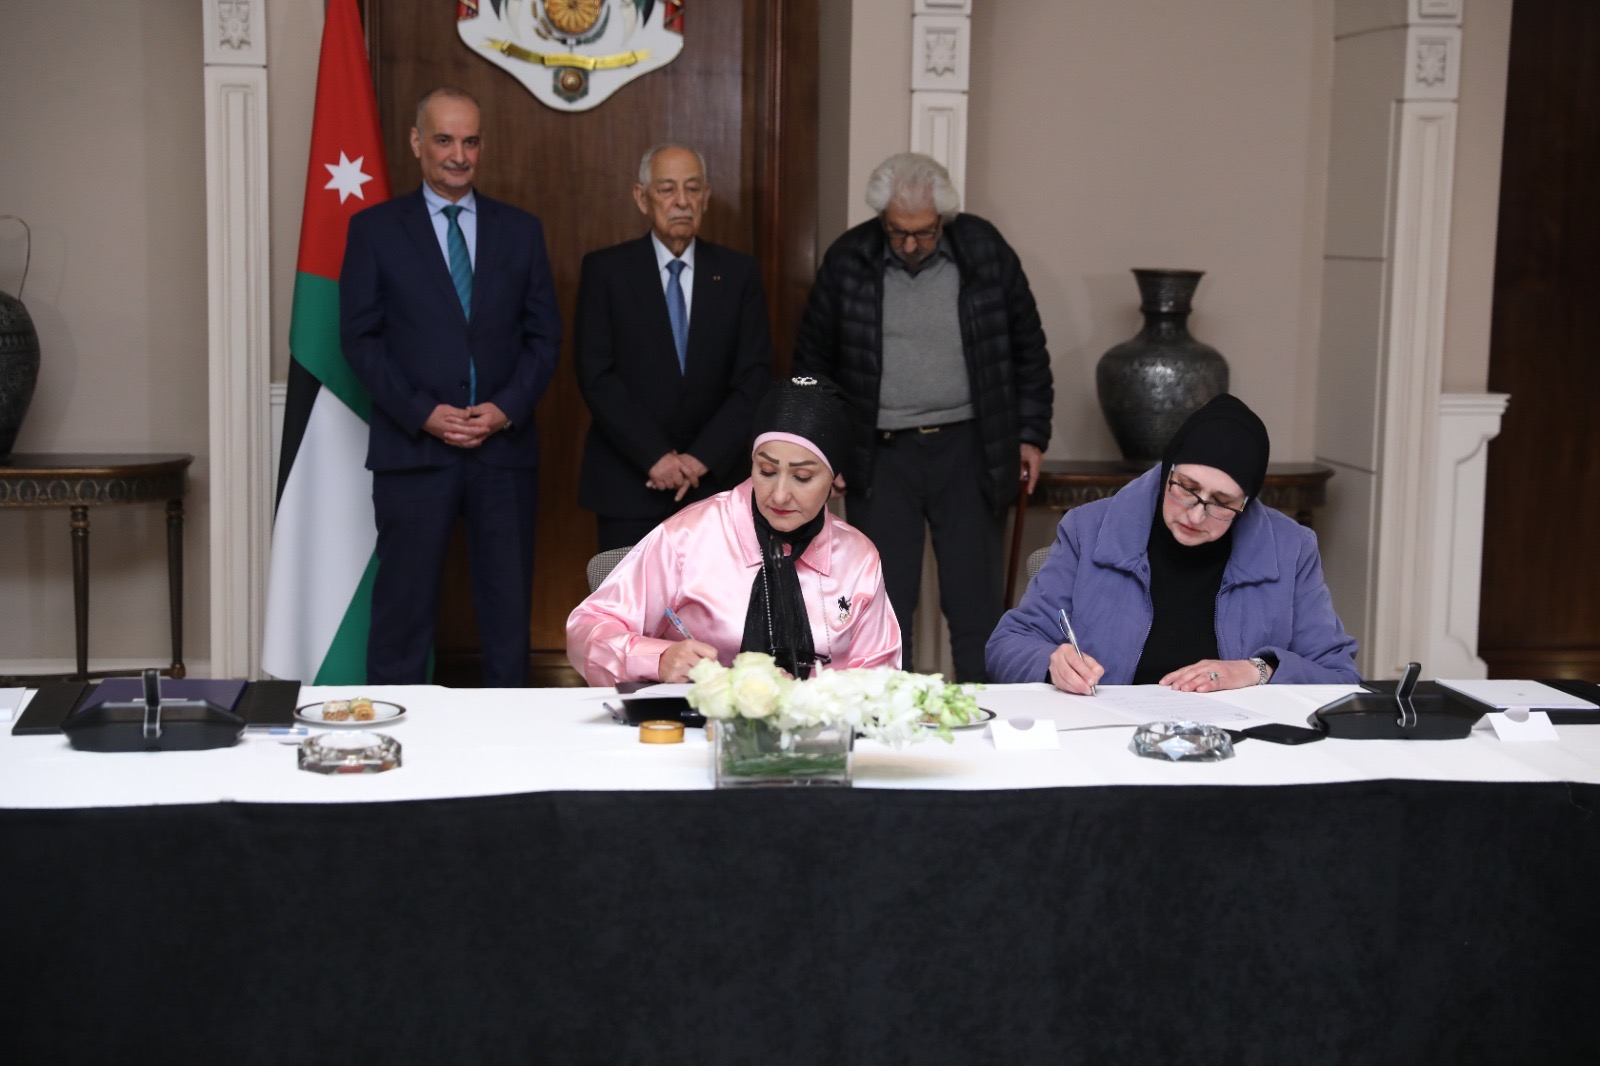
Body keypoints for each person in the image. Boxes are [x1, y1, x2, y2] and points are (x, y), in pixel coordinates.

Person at [792, 152, 1052, 682]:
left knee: (976, 602)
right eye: (898, 232)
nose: (910, 245)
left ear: (944, 219)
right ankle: (895, 714)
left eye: (924, 233)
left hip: (970, 447)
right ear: (881, 219)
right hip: (881, 455)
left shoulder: (984, 250)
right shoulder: (849, 259)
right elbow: (814, 364)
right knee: (884, 602)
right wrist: (826, 448)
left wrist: (1030, 434)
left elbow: (1027, 347)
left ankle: (986, 710)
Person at [341, 86, 561, 686]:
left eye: (470, 141)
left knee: (507, 616)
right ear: (417, 143)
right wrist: (423, 413)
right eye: (444, 140)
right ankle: (396, 731)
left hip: (502, 452)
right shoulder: (375, 230)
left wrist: (505, 409)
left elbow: (545, 337)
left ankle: (506, 736)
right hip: (414, 450)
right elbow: (360, 341)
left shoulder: (521, 231)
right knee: (403, 612)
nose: (459, 155)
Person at [986, 394, 1360, 691]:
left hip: (1239, 746)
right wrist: (1052, 663)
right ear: (1168, 470)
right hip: (1105, 740)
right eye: (1187, 489)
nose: (1196, 516)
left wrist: (1256, 671)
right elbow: (1007, 644)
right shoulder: (1088, 528)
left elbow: (1339, 674)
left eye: (1222, 503)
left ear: (1245, 504)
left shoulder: (1291, 548)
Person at [566, 376, 902, 685]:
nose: (779, 495)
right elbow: (586, 629)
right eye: (766, 471)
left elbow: (880, 678)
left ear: (834, 478)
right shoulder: (688, 537)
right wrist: (658, 658)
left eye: (802, 477)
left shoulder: (857, 558)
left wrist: (810, 696)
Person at [575, 143, 774, 551]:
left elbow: (754, 376)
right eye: (667, 189)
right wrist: (656, 456)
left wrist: (702, 458)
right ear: (641, 197)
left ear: (706, 196)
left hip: (715, 483)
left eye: (692, 188)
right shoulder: (606, 271)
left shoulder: (738, 274)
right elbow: (596, 376)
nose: (682, 201)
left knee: (717, 594)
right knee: (630, 595)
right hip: (629, 482)